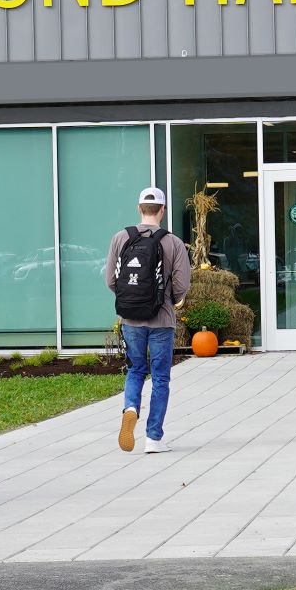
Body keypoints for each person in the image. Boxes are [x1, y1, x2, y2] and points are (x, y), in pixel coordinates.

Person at [105, 184, 194, 454]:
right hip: (161, 319)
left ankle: (130, 407)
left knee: (135, 370)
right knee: (160, 378)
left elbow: (111, 279)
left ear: (139, 209)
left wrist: (130, 301)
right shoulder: (173, 242)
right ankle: (153, 438)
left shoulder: (121, 238)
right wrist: (172, 299)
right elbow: (182, 283)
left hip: (131, 318)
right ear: (163, 210)